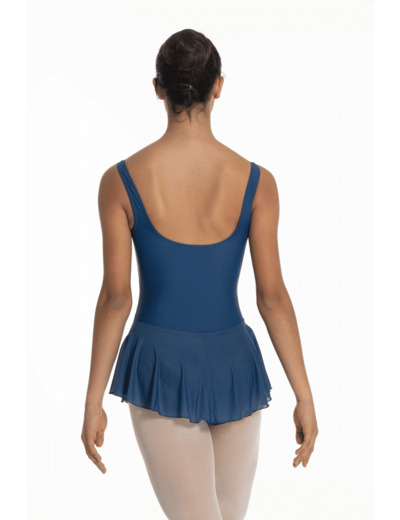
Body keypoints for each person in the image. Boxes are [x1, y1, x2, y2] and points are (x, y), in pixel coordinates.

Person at [81, 28, 318, 519]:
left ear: (158, 88)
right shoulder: (257, 182)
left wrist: (93, 399)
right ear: (218, 86)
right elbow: (272, 297)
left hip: (161, 366)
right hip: (235, 367)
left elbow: (116, 298)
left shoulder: (121, 181)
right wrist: (304, 394)